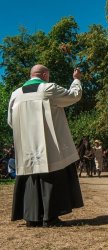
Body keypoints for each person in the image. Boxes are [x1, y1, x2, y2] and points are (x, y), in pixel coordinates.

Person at [7, 64, 84, 227]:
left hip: (26, 146)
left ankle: (31, 217)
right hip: (49, 145)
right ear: (44, 74)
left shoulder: (16, 94)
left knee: (30, 179)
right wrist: (76, 80)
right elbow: (73, 96)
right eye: (48, 74)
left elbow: (11, 121)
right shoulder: (48, 88)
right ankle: (50, 217)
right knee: (52, 176)